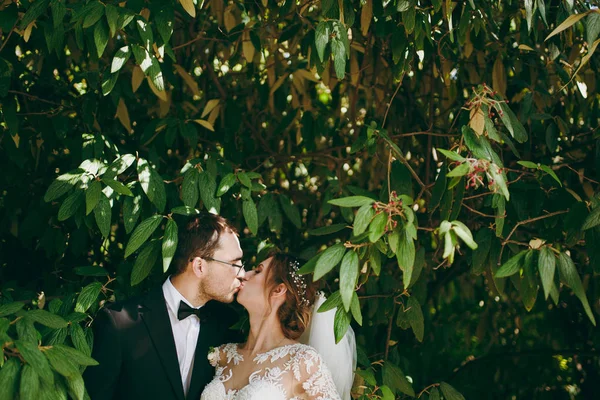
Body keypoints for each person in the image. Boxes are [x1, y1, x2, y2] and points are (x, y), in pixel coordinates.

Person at [84, 213, 246, 400]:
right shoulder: (119, 323)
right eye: (234, 263)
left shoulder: (228, 325)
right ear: (199, 266)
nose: (242, 272)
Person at [200, 253, 356, 400]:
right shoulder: (222, 355)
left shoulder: (302, 361)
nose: (244, 275)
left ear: (278, 289)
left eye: (257, 271)